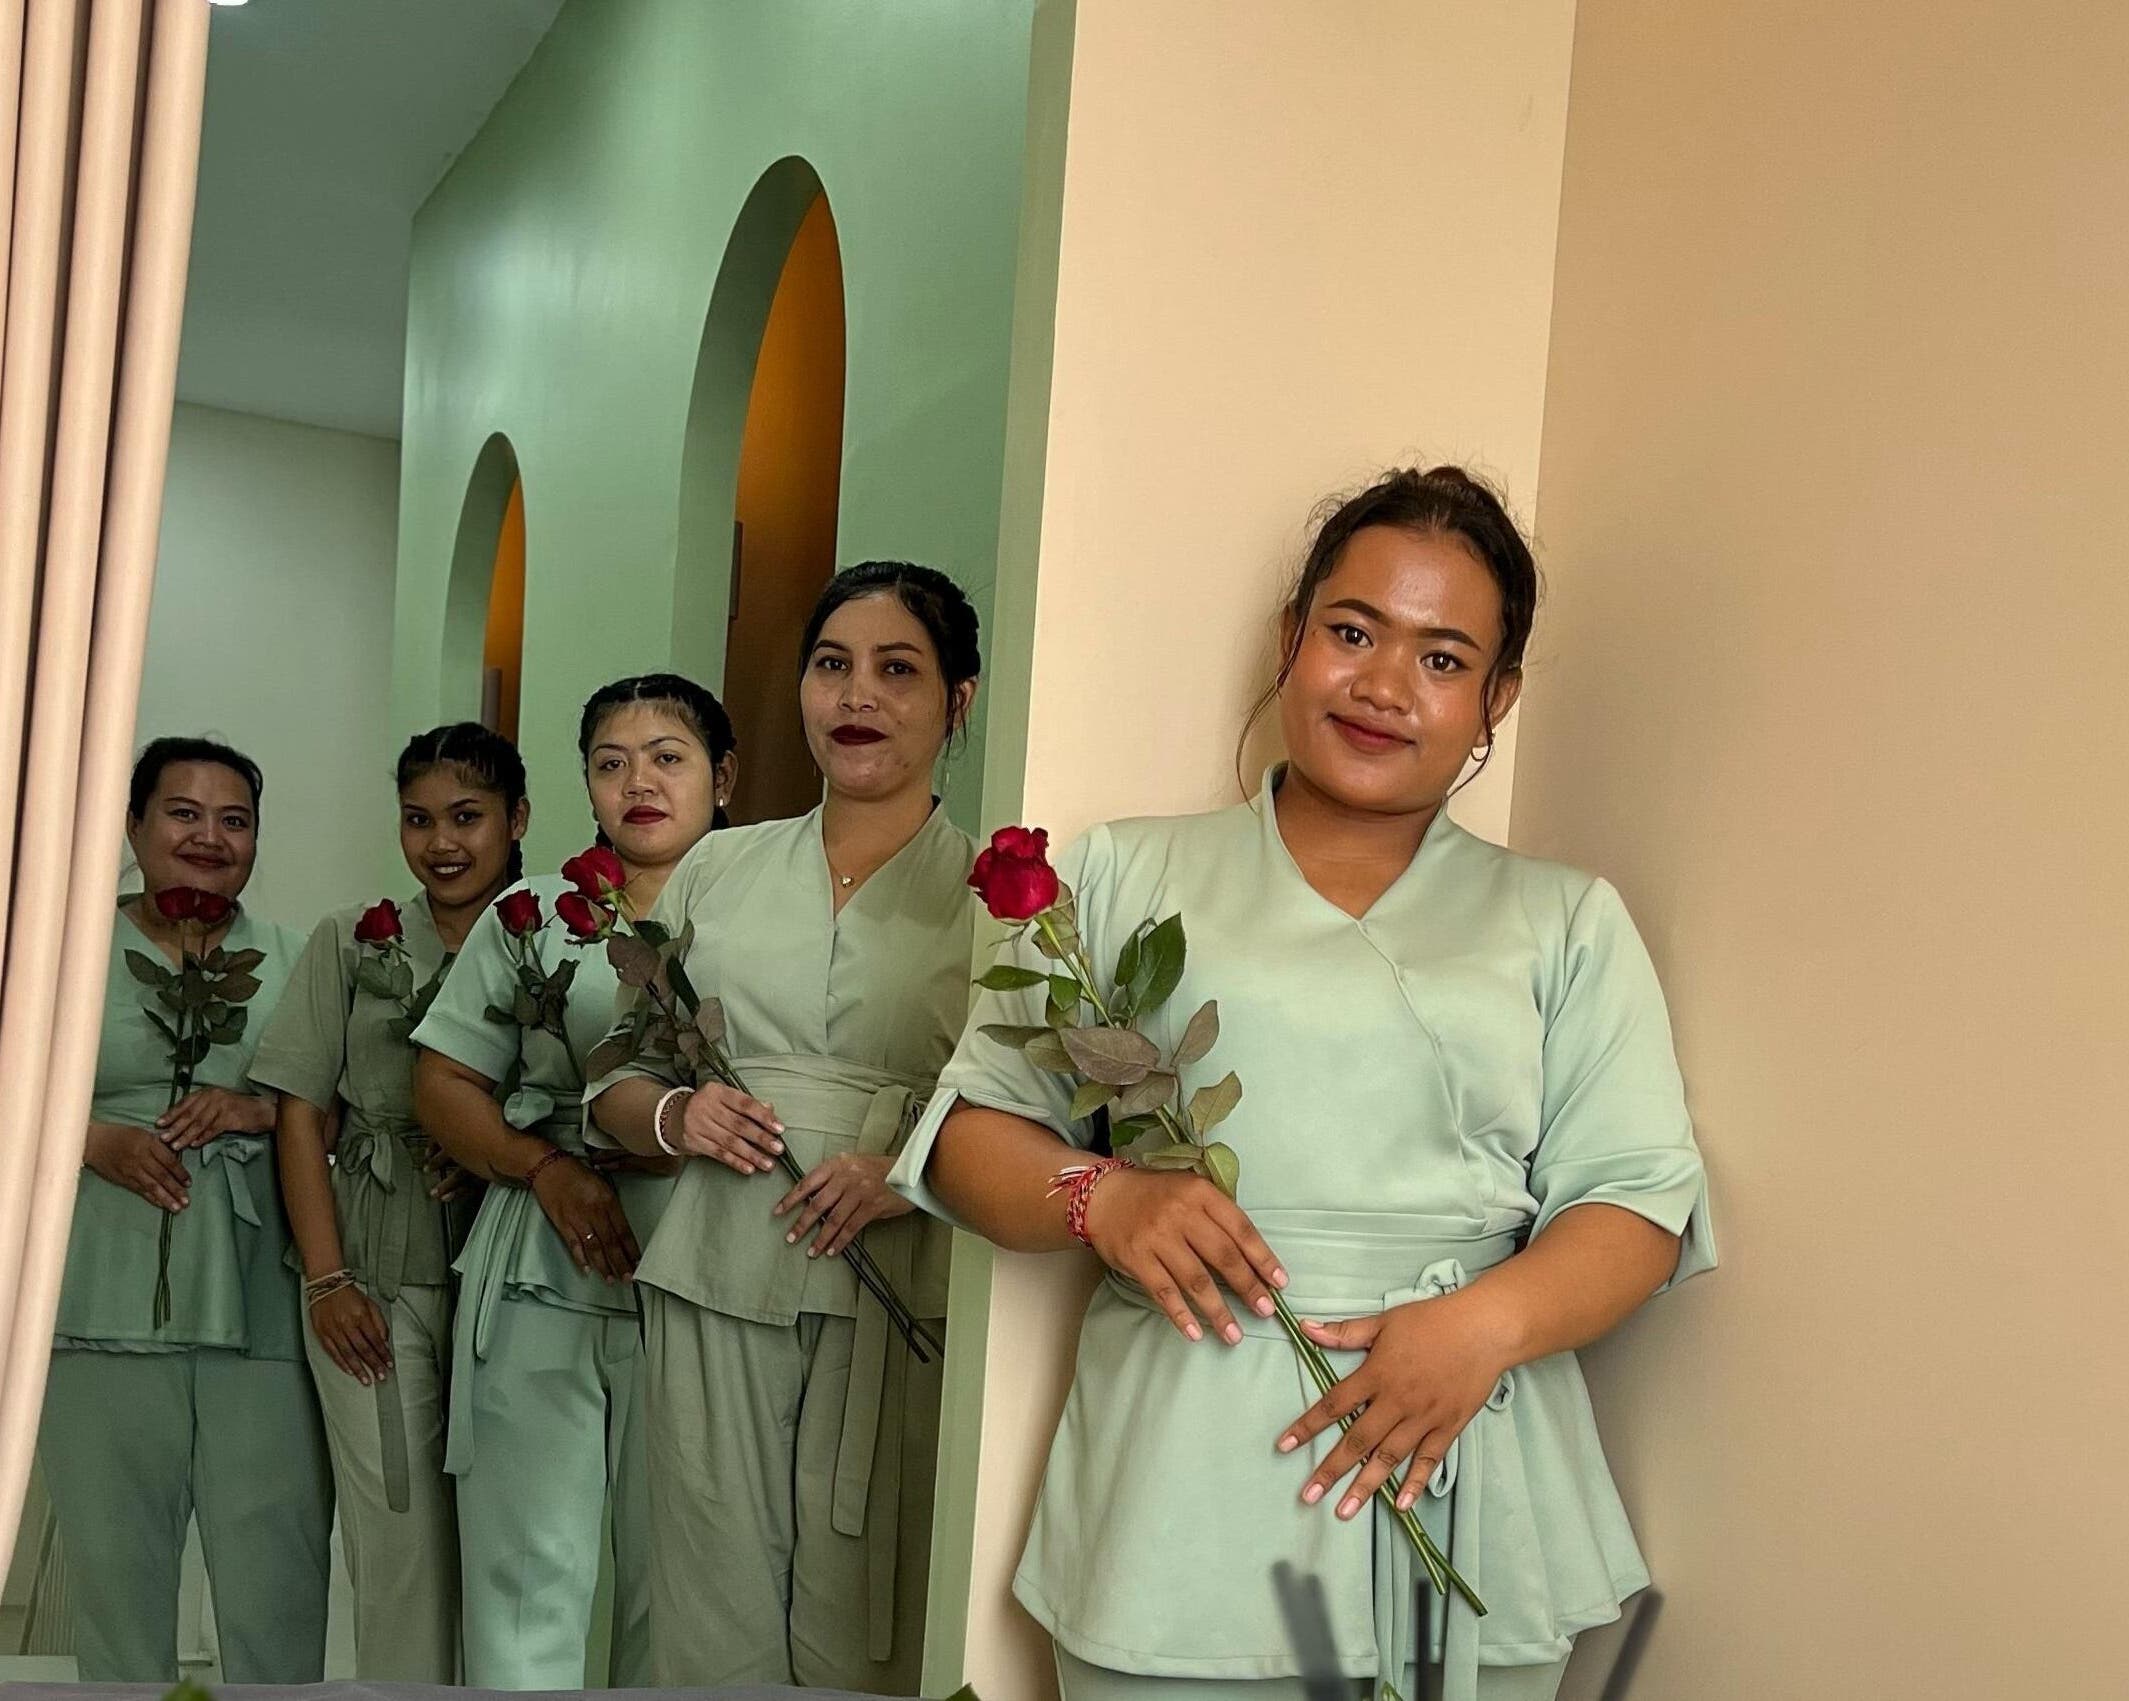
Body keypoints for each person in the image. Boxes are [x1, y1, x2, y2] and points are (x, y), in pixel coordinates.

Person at [892, 468, 1717, 1701]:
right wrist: (1102, 1199)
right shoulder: (1126, 874)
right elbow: (968, 1135)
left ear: (1498, 698)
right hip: (1181, 1480)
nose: (1384, 686)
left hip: (1472, 1464)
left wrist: (1480, 1330)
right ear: (1292, 642)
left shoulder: (1565, 923)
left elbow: (1641, 1205)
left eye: (1444, 660)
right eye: (1352, 633)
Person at [587, 563, 980, 1692]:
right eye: (831, 666)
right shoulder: (717, 864)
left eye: (897, 670)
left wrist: (916, 1169)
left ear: (958, 700)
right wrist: (678, 1112)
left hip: (901, 1284)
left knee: (871, 1615)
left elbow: (1043, 1110)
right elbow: (611, 1076)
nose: (856, 695)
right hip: (717, 1263)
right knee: (709, 1607)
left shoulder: (1004, 895)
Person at [411, 676, 734, 1689]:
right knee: (524, 1581)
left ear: (723, 777)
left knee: (677, 1589)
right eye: (611, 761)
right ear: (585, 786)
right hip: (540, 1264)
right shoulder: (532, 915)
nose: (639, 781)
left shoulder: (770, 911)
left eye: (668, 756)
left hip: (700, 1262)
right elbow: (443, 1083)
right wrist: (545, 1168)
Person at [38, 737, 332, 1681]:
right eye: (183, 812)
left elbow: (357, 1109)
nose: (209, 836)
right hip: (94, 1295)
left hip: (262, 1305)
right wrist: (89, 1138)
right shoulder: (61, 944)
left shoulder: (299, 957)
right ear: (132, 823)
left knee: (276, 1577)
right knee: (116, 1583)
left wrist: (259, 1107)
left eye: (234, 819)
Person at [248, 723, 528, 1680]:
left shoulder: (557, 941)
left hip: (514, 1280)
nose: (442, 841)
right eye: (418, 819)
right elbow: (298, 1114)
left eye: (467, 816)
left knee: (513, 1553)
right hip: (372, 1270)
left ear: (516, 819)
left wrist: (488, 1142)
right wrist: (327, 1281)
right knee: (398, 1544)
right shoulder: (350, 939)